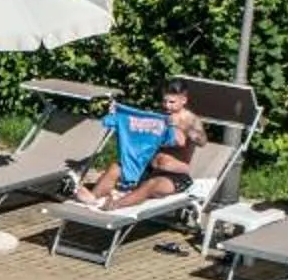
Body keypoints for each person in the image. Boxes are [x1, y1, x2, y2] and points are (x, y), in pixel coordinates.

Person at [71, 83, 202, 209]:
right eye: (164, 101)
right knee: (116, 167)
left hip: (173, 176)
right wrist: (118, 115)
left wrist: (178, 126)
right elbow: (138, 132)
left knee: (151, 185)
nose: (166, 106)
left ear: (183, 100)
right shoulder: (160, 116)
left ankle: (116, 205)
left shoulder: (191, 120)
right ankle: (93, 197)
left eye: (171, 102)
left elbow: (198, 141)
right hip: (148, 168)